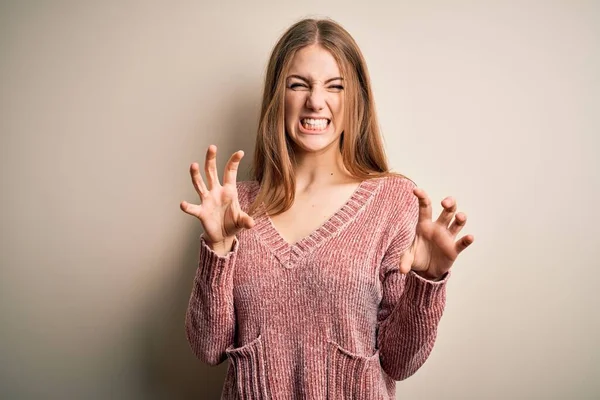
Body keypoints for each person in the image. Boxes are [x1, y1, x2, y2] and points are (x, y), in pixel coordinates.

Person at [180, 17, 474, 399]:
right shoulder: (238, 206)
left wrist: (427, 282)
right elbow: (208, 348)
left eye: (334, 86)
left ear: (356, 100)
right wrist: (217, 250)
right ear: (277, 97)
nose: (315, 101)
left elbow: (400, 363)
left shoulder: (393, 202)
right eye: (298, 84)